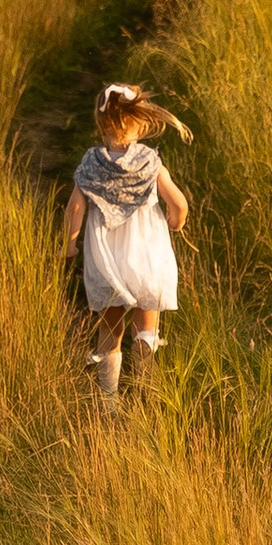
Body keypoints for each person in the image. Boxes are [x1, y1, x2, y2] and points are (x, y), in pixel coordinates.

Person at [62, 81, 191, 406]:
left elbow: (75, 207)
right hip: (147, 253)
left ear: (100, 123)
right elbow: (178, 202)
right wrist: (176, 221)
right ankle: (146, 387)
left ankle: (109, 400)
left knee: (110, 328)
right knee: (147, 325)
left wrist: (70, 245)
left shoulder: (92, 162)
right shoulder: (150, 161)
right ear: (140, 122)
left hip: (107, 258)